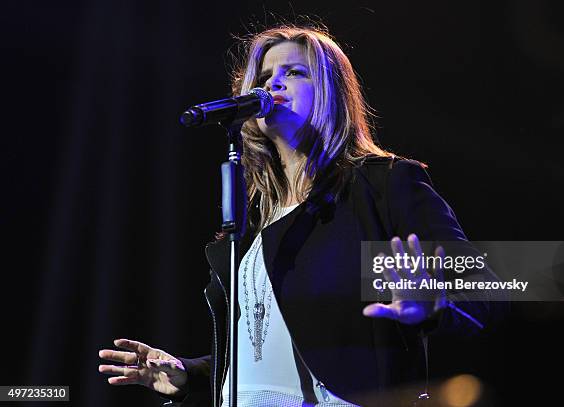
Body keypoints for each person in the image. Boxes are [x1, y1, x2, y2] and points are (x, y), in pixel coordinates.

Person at [99, 25, 500, 407]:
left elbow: (488, 288)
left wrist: (433, 303)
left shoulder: (382, 186)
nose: (272, 84)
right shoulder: (251, 220)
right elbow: (268, 348)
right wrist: (191, 374)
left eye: (294, 73)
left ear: (331, 93)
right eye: (265, 75)